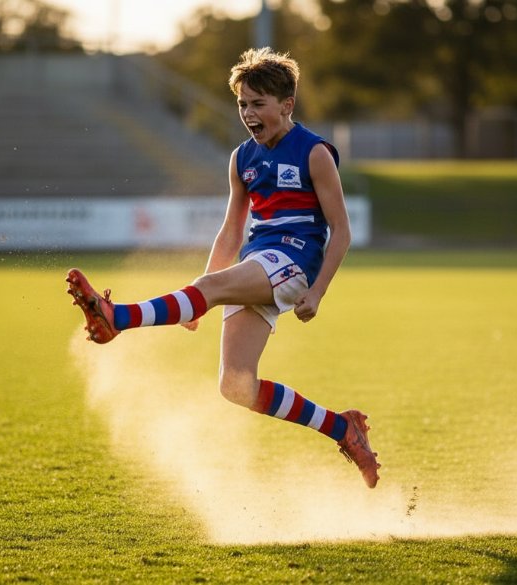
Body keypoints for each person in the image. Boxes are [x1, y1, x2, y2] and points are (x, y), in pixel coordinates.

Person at [67, 47, 380, 488]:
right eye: (241, 104)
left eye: (258, 104)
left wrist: (318, 292)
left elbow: (341, 231)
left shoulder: (314, 153)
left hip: (294, 262)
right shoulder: (241, 158)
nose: (248, 114)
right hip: (258, 261)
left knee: (209, 288)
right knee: (235, 385)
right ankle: (341, 428)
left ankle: (118, 318)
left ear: (286, 105)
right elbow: (231, 232)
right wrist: (202, 299)